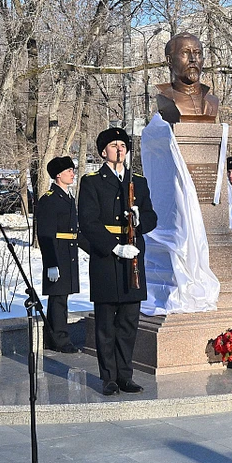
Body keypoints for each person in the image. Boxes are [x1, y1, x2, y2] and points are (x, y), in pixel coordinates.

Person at [78, 127, 158, 396]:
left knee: (128, 322)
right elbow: (88, 222)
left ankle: (125, 374)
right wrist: (114, 247)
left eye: (123, 144)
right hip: (106, 257)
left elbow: (152, 217)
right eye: (113, 145)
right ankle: (108, 377)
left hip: (133, 256)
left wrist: (139, 219)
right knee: (106, 324)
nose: (120, 148)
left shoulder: (139, 182)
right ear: (103, 152)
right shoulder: (92, 182)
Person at [34, 156, 87, 353]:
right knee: (58, 299)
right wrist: (51, 263)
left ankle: (53, 338)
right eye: (68, 171)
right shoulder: (50, 199)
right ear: (58, 175)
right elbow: (45, 234)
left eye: (72, 170)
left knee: (62, 298)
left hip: (68, 252)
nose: (72, 174)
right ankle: (60, 341)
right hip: (58, 253)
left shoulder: (67, 196)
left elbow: (74, 231)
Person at [155, 33, 219, 123]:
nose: (193, 59)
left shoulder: (212, 101)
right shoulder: (166, 100)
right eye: (185, 53)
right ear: (170, 60)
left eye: (197, 53)